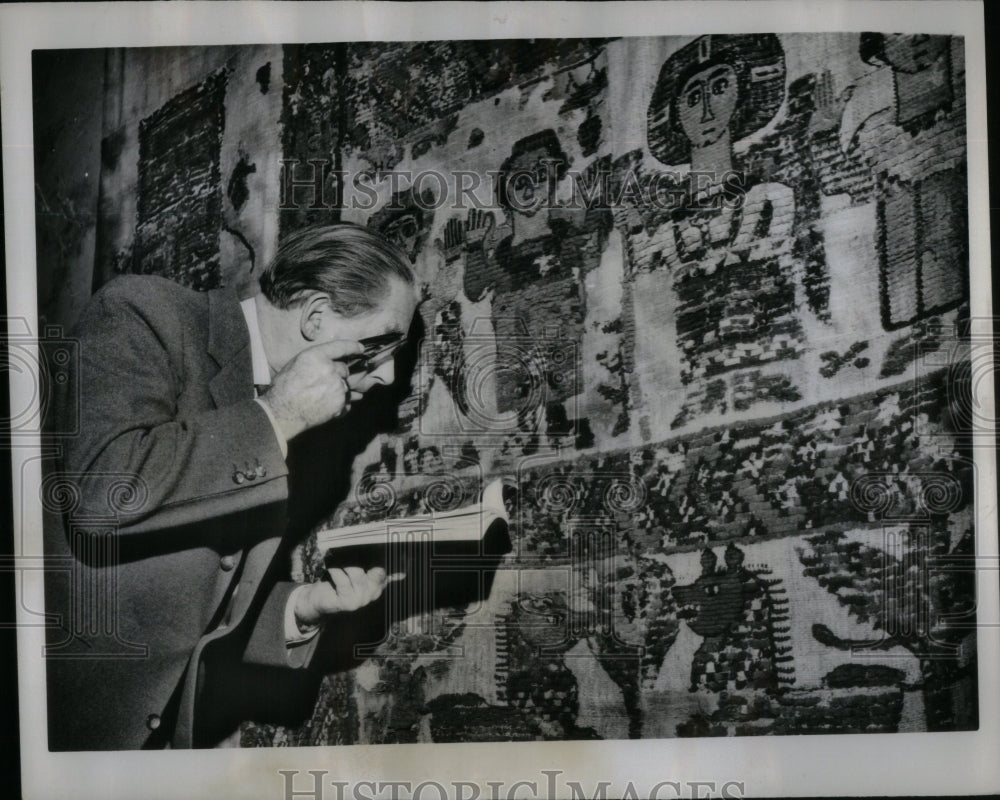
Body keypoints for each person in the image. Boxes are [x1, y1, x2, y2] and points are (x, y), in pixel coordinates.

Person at [42, 223, 418, 750]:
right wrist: (277, 416)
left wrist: (301, 608)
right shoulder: (144, 312)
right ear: (315, 317)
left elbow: (190, 595)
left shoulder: (287, 420)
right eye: (382, 345)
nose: (387, 375)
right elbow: (101, 496)